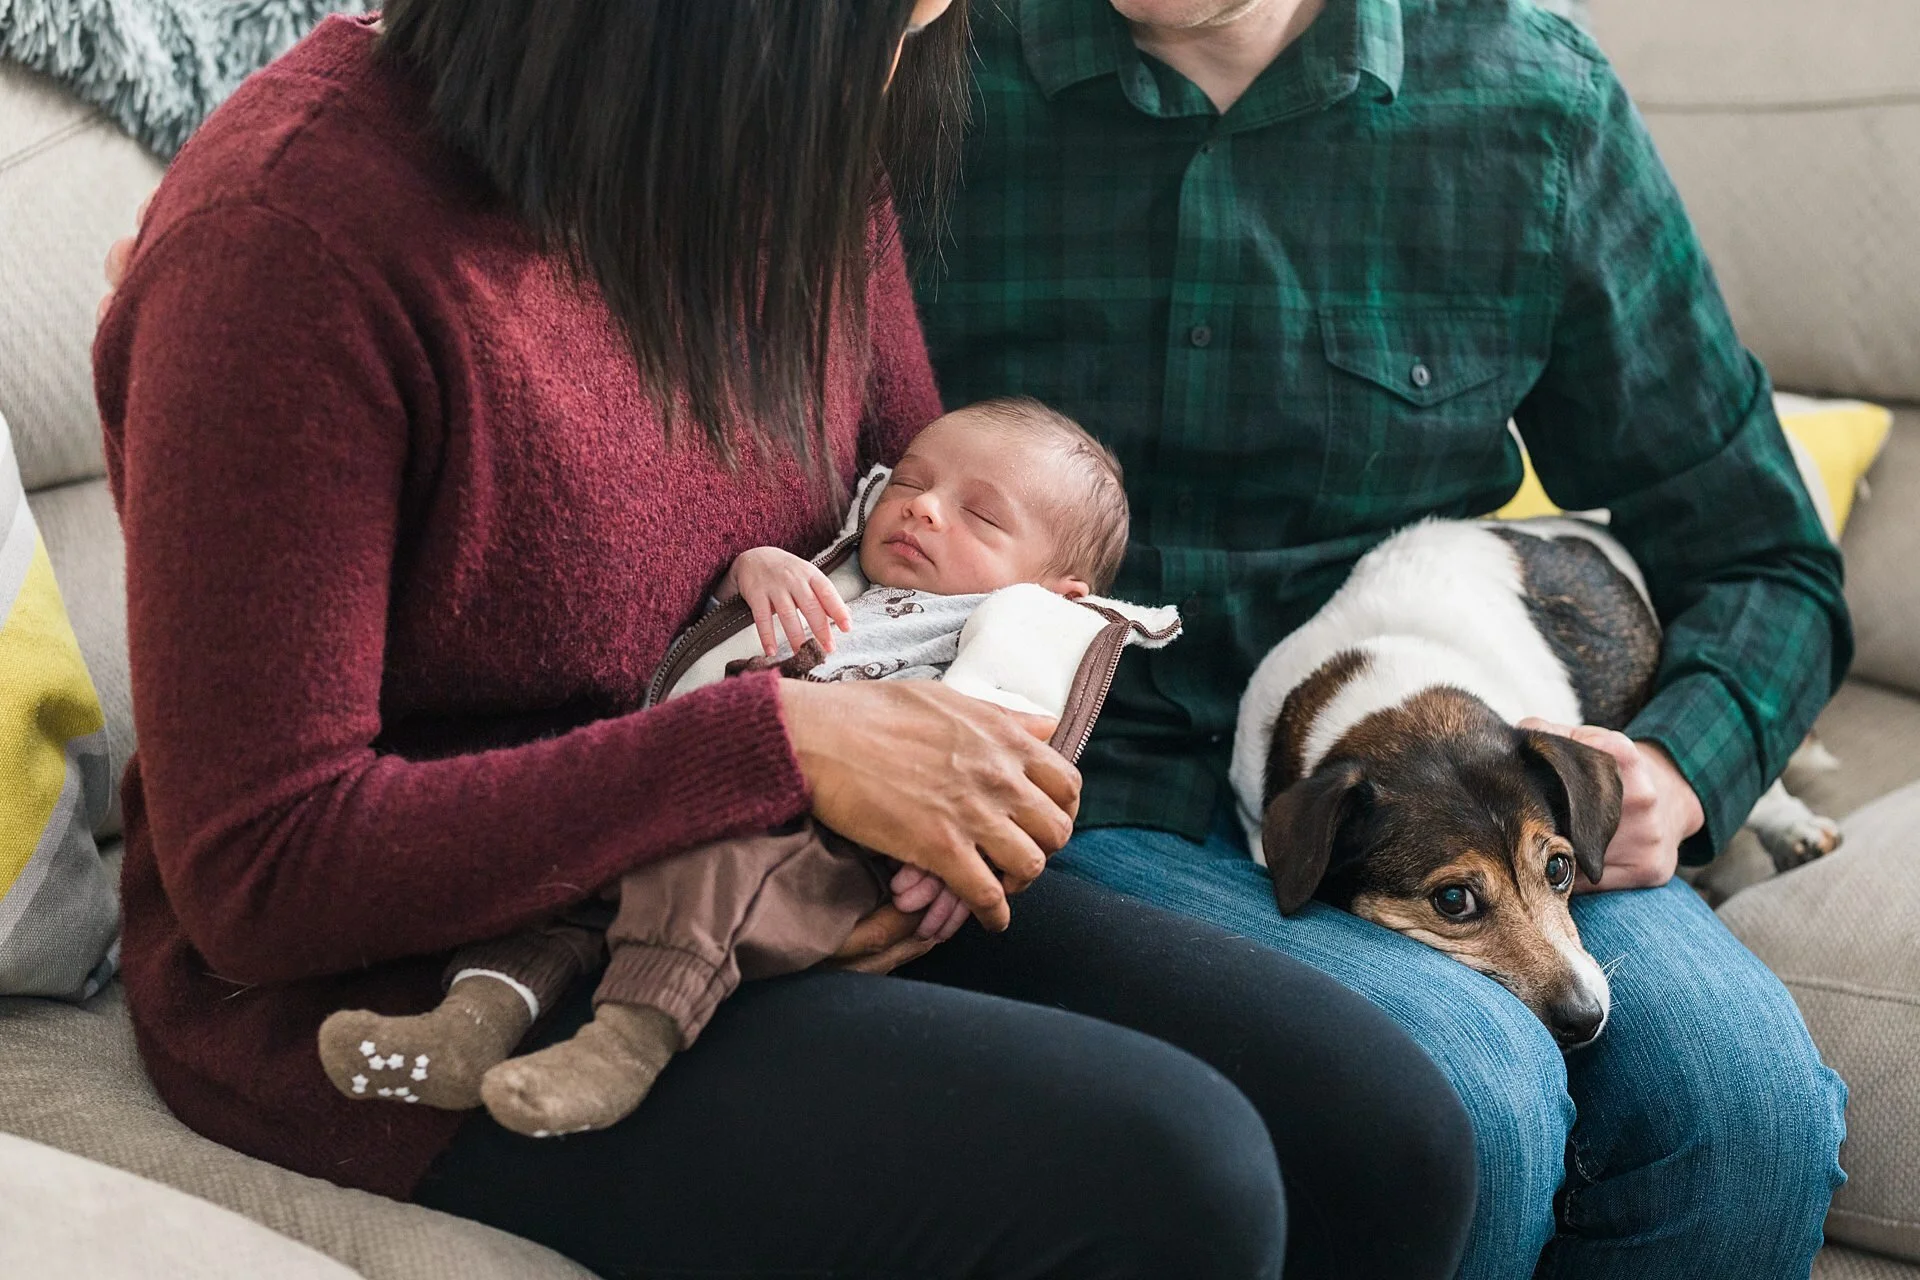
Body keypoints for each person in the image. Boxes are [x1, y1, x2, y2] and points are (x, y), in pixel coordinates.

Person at [91, 2, 1477, 1277]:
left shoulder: (780, 143)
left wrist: (980, 785)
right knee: (1182, 1171)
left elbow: (929, 570)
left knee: (1386, 1128)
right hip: (438, 973)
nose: (906, 57)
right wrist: (776, 745)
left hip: (792, 868)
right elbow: (261, 878)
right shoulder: (291, 235)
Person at [903, 1, 1848, 1277]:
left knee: (1748, 1116)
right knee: (1472, 1098)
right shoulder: (925, 73)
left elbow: (1764, 554)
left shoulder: (1533, 101)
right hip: (1086, 788)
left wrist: (1677, 770)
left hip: (1461, 788)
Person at [314, 399, 1135, 1140]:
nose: (921, 506)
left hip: (821, 845)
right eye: (908, 483)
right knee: (575, 857)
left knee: (703, 875)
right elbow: (730, 637)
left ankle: (624, 1045)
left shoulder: (1019, 631)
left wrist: (968, 857)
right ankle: (469, 1024)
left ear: (1057, 593)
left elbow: (1014, 768)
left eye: (981, 515)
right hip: (704, 773)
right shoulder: (838, 574)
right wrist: (760, 564)